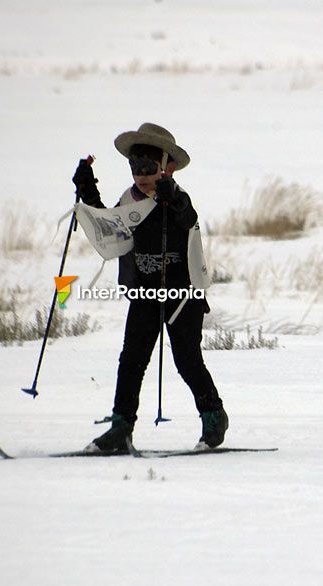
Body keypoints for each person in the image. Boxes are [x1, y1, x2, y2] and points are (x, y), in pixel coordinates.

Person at [72, 122, 228, 452]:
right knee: (131, 360)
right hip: (145, 292)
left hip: (182, 294)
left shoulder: (178, 198)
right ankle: (120, 428)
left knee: (187, 360)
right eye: (134, 167)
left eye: (147, 168)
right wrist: (87, 191)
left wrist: (174, 202)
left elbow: (189, 219)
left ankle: (214, 416)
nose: (141, 175)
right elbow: (109, 229)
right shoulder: (129, 201)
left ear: (166, 167)